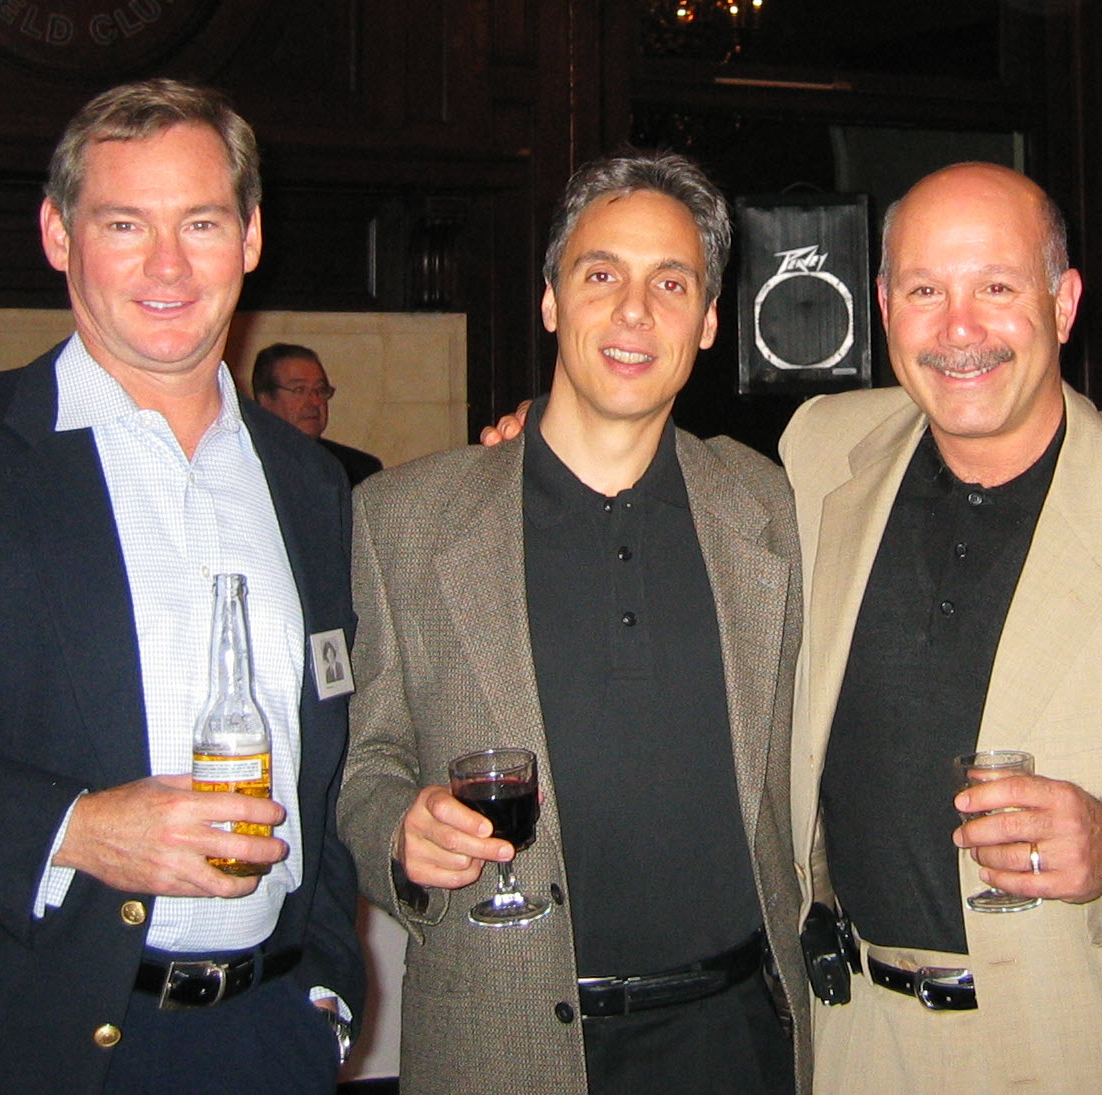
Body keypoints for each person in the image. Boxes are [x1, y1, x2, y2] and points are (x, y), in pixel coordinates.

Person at [0, 79, 363, 1094]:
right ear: (59, 235)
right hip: (5, 1042)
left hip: (263, 1039)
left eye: (201, 223)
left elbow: (326, 764)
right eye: (123, 223)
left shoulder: (310, 484)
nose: (167, 265)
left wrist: (320, 996)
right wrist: (73, 829)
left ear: (249, 238)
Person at [778, 162, 1102, 1093]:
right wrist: (542, 437)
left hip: (1086, 1045)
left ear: (1064, 303)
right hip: (854, 1039)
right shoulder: (820, 450)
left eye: (997, 288)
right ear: (883, 307)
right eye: (926, 291)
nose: (959, 329)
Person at [338, 149, 808, 1095]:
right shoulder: (404, 518)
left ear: (709, 321)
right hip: (500, 1040)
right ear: (551, 300)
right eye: (601, 276)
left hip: (737, 1039)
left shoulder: (769, 506)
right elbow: (361, 759)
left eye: (670, 283)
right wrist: (397, 830)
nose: (634, 312)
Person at [251, 342, 384, 486]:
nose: (315, 401)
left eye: (320, 390)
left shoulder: (358, 470)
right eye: (299, 390)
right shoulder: (246, 464)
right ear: (265, 399)